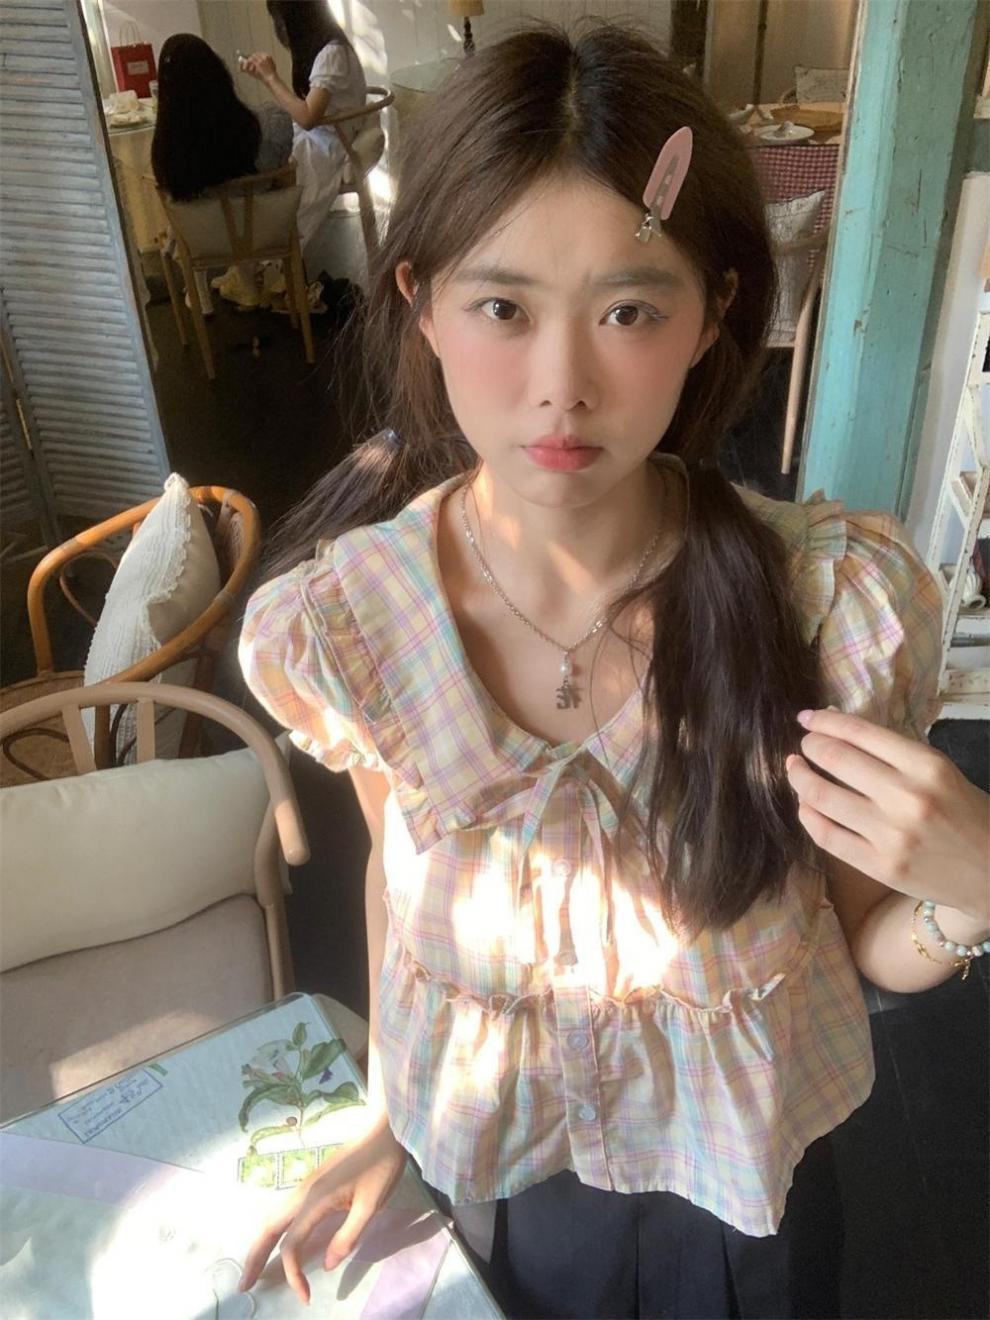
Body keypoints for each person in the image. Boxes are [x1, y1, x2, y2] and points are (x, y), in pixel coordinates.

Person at [236, 24, 990, 1319]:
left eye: (630, 311)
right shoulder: (352, 625)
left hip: (744, 1207)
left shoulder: (830, 610)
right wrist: (392, 1116)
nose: (561, 387)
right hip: (499, 1186)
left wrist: (975, 890)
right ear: (420, 302)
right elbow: (395, 878)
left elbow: (864, 940)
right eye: (503, 307)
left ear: (713, 317)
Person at [152, 33, 292, 311]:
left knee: (183, 206)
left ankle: (198, 292)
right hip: (263, 232)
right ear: (219, 72)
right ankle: (254, 281)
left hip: (203, 241)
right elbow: (281, 173)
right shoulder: (270, 124)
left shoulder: (167, 152)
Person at [242, 0, 367, 284]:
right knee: (264, 148)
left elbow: (308, 116)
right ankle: (261, 261)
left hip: (331, 140)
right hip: (321, 134)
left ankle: (271, 263)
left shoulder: (332, 53)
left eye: (281, 22)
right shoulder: (324, 51)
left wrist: (270, 78)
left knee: (280, 173)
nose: (280, 30)